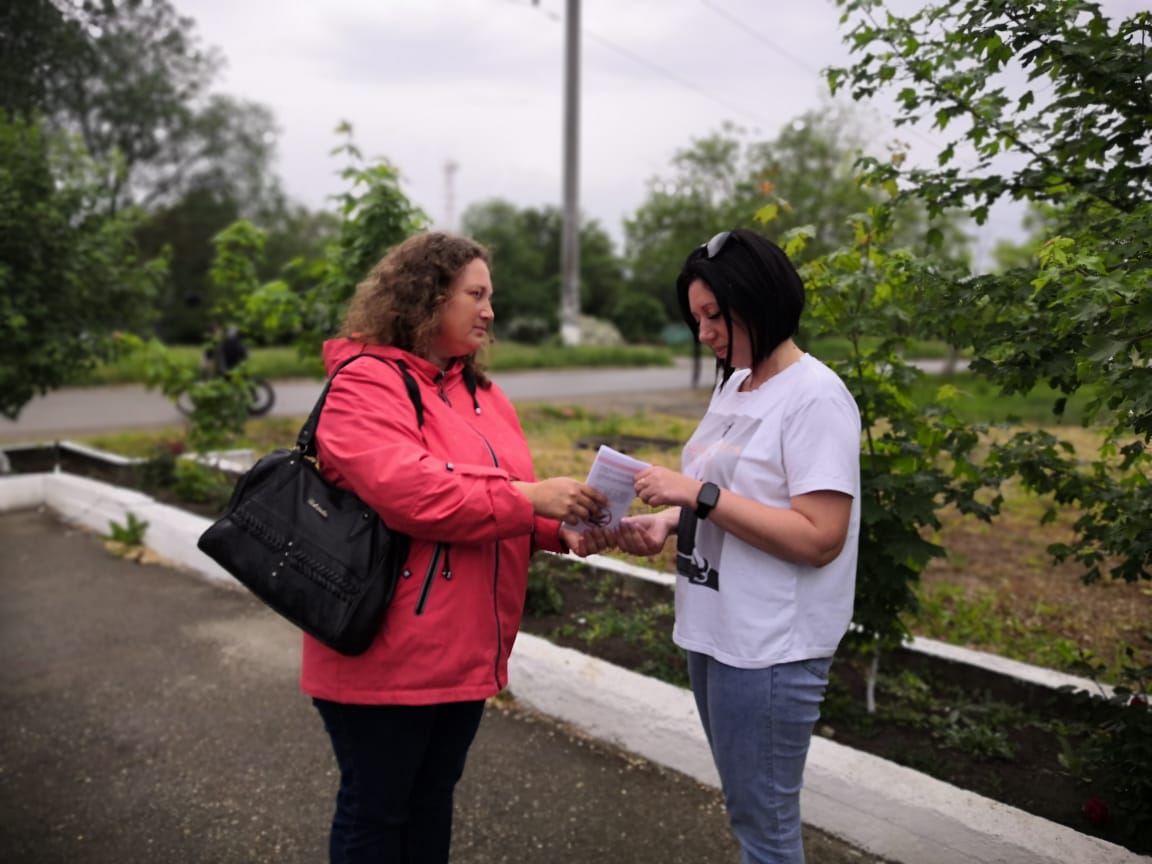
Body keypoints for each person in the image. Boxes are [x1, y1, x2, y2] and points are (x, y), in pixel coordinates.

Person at [303, 231, 613, 864]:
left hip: (464, 649)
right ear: (427, 298)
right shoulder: (365, 384)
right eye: (475, 294)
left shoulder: (483, 395)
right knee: (376, 813)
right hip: (383, 652)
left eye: (489, 296)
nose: (489, 311)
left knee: (431, 803)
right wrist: (530, 500)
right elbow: (415, 493)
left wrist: (571, 528)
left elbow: (503, 507)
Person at [615, 228, 861, 864]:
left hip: (770, 648)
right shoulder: (737, 385)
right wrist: (669, 522)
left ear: (759, 300)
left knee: (765, 827)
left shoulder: (815, 398)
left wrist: (694, 495)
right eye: (695, 317)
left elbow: (820, 536)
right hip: (717, 629)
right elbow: (727, 492)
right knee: (748, 809)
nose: (704, 334)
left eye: (713, 316)